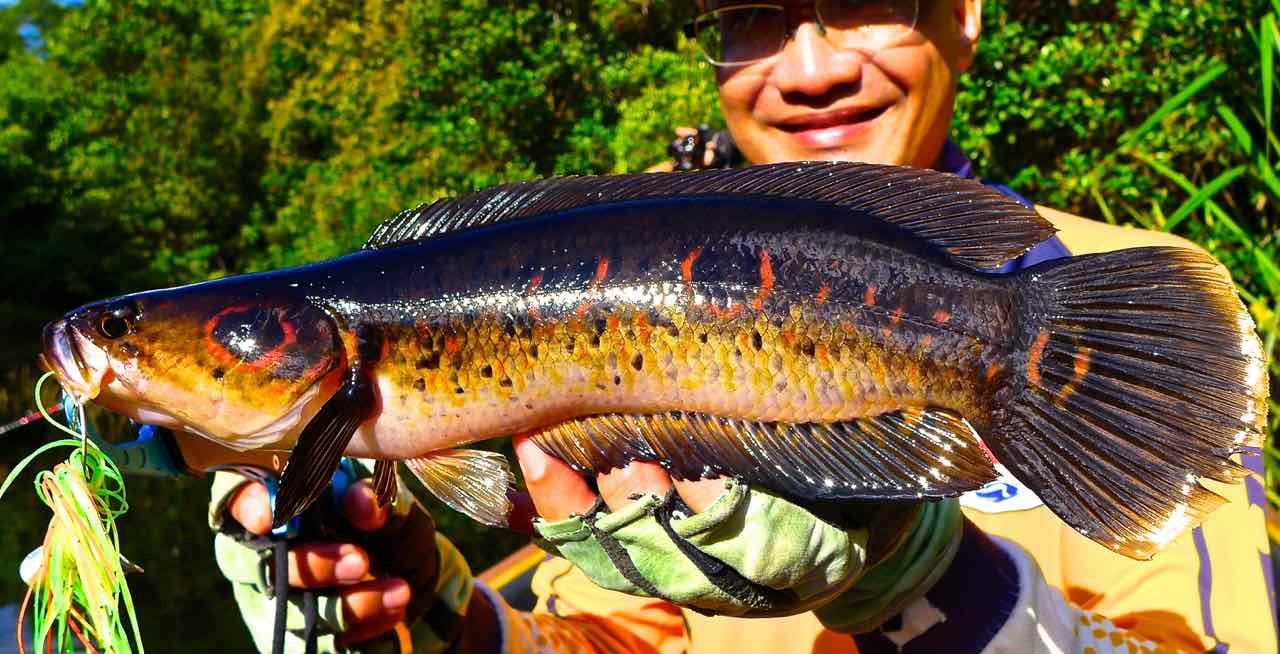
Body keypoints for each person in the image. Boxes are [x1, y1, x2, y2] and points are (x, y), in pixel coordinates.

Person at [210, 1, 1277, 652]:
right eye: (749, 17)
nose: (808, 69)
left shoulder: (1109, 314)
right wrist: (431, 615)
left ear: (965, 11)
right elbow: (608, 643)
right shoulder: (606, 289)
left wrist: (930, 588)